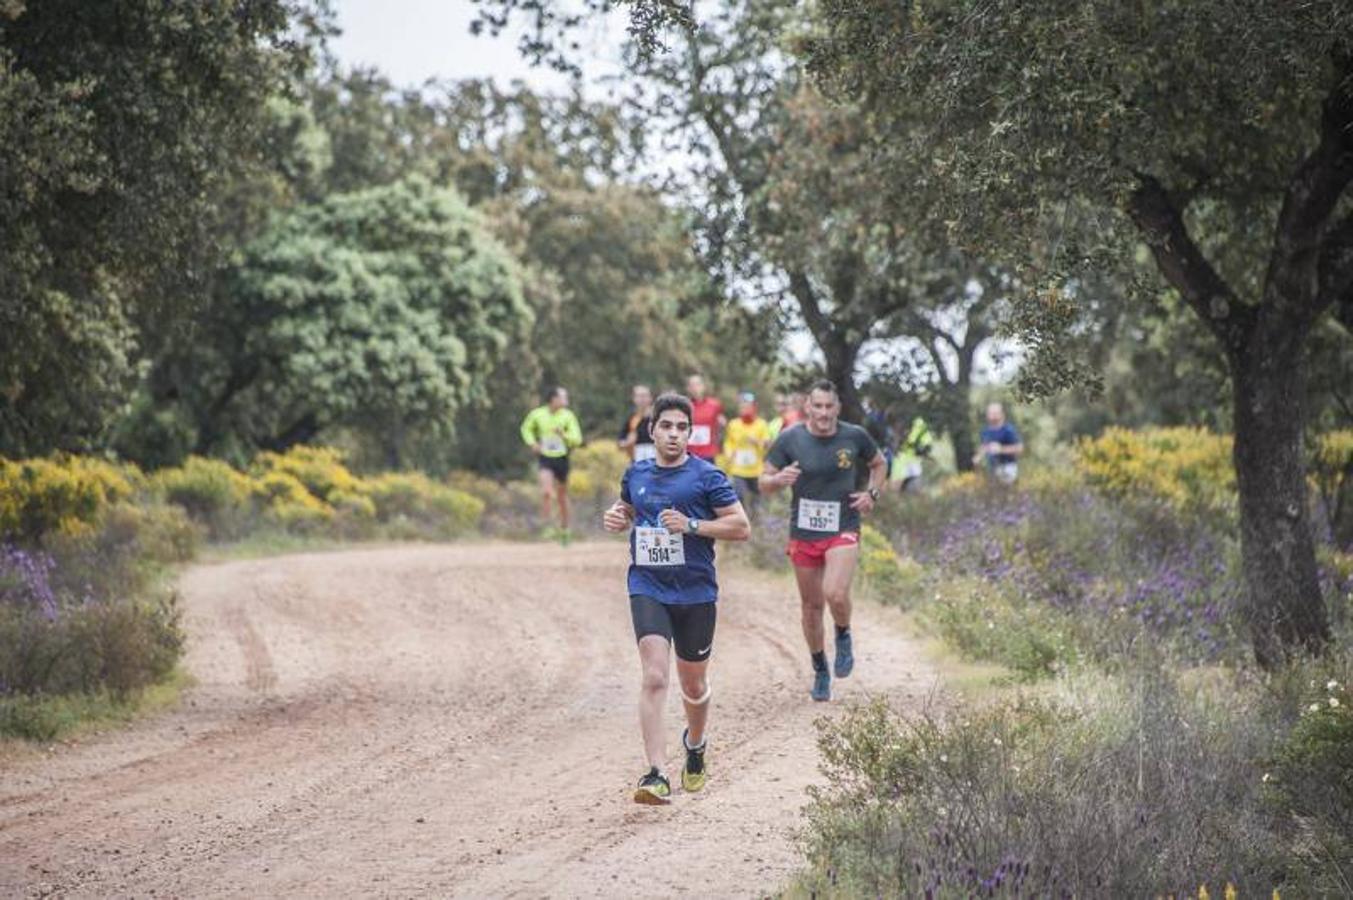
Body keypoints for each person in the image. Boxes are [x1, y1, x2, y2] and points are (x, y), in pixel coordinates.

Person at [603, 392, 751, 805]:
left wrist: (692, 524)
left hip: (696, 592)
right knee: (654, 676)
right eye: (665, 426)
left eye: (681, 427)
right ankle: (655, 773)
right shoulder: (636, 473)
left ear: (690, 433)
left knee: (694, 684)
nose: (673, 434)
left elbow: (741, 527)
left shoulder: (708, 477)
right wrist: (616, 517)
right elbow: (629, 508)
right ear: (652, 431)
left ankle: (696, 744)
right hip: (648, 585)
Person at [760, 379, 887, 702]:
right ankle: (820, 669)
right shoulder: (791, 438)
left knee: (835, 592)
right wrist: (778, 479)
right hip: (803, 530)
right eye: (818, 406)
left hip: (843, 524)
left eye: (829, 406)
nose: (824, 413)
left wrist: (872, 493)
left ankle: (843, 634)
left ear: (838, 408)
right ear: (808, 407)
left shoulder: (854, 435)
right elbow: (763, 481)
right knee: (811, 606)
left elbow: (879, 463)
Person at [520, 386, 583, 538]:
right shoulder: (537, 414)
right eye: (563, 397)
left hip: (562, 458)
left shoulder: (568, 416)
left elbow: (577, 439)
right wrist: (532, 443)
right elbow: (525, 428)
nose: (566, 401)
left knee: (561, 496)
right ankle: (547, 527)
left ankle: (565, 528)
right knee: (547, 492)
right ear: (553, 399)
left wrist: (564, 435)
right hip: (545, 457)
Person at [722, 391, 772, 517]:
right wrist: (729, 453)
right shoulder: (734, 424)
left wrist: (756, 441)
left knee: (757, 496)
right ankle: (742, 516)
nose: (745, 409)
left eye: (748, 406)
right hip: (738, 468)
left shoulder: (761, 424)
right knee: (738, 493)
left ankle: (756, 519)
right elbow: (728, 442)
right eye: (742, 406)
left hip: (756, 469)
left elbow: (767, 444)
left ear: (754, 407)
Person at [976, 402, 1024, 485]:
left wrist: (1001, 449)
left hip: (1008, 468)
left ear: (1002, 414)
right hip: (991, 469)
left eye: (995, 413)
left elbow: (1019, 448)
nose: (993, 415)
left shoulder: (1008, 430)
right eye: (990, 413)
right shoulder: (985, 431)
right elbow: (984, 446)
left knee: (1007, 494)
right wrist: (978, 456)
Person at [685, 374, 725, 462]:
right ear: (688, 388)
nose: (695, 388)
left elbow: (722, 425)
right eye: (692, 385)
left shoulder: (715, 405)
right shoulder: (684, 405)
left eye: (698, 385)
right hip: (688, 454)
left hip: (708, 454)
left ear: (703, 387)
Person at [890, 415, 933, 493]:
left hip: (908, 461)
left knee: (908, 482)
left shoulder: (915, 428)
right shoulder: (919, 430)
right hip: (907, 462)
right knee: (907, 483)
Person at [618, 384, 656, 464]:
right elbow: (620, 442)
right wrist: (627, 443)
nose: (642, 399)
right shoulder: (632, 419)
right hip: (636, 461)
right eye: (639, 396)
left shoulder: (657, 417)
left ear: (651, 398)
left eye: (644, 395)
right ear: (634, 398)